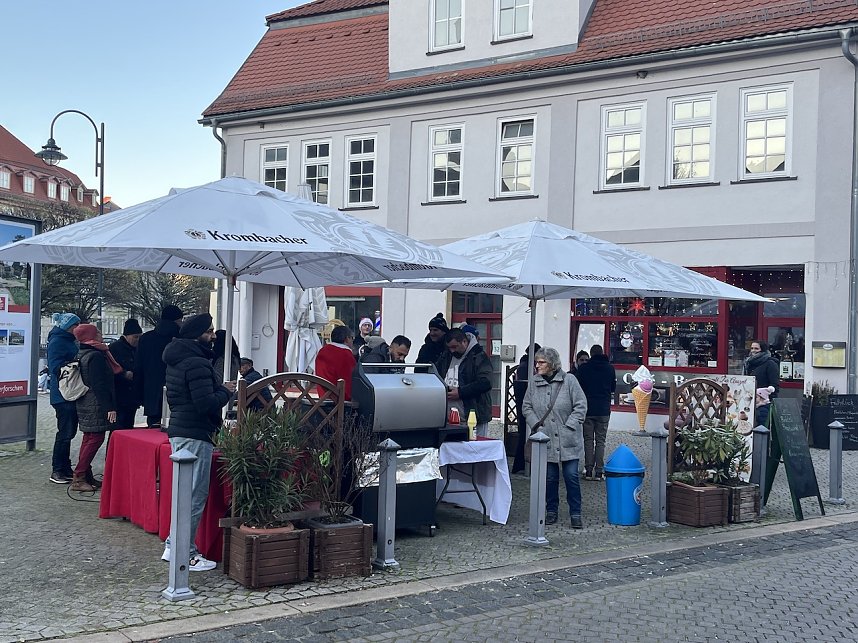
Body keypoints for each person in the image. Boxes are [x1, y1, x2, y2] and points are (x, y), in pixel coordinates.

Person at [161, 313, 235, 571]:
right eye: (209, 331)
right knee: (193, 496)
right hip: (195, 432)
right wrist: (226, 391)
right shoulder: (197, 363)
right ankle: (186, 554)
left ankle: (174, 545)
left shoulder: (178, 358)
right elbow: (205, 403)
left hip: (181, 429)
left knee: (185, 494)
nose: (213, 336)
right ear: (197, 335)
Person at [522, 346, 587, 529]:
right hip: (546, 438)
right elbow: (526, 406)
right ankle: (551, 511)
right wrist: (537, 424)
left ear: (552, 364)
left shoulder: (570, 381)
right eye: (536, 362)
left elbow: (581, 405)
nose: (537, 365)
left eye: (541, 362)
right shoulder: (534, 383)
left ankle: (576, 513)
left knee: (571, 476)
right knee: (550, 478)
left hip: (568, 439)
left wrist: (570, 425)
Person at [70, 324, 122, 492]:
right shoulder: (96, 356)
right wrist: (109, 407)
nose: (100, 333)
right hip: (95, 403)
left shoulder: (82, 352)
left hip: (85, 401)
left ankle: (86, 474)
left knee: (88, 437)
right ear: (90, 336)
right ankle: (79, 476)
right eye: (97, 332)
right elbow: (99, 384)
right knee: (96, 438)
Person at [436, 328, 493, 437]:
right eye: (449, 347)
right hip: (448, 418)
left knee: (476, 445)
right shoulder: (446, 356)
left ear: (464, 342)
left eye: (455, 347)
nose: (452, 351)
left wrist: (461, 392)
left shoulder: (479, 356)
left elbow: (485, 382)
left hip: (474, 416)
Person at [134, 305, 183, 427]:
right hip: (175, 390)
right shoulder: (180, 338)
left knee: (153, 428)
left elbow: (138, 368)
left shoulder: (146, 338)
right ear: (177, 320)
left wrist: (138, 394)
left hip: (151, 391)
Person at [47, 312, 81, 484]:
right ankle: (57, 469)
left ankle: (65, 467)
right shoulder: (58, 342)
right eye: (76, 325)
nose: (78, 328)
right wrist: (75, 364)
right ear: (68, 327)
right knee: (65, 433)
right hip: (62, 394)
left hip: (68, 394)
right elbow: (55, 367)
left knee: (68, 432)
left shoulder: (69, 340)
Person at [575, 344, 616, 481]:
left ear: (591, 354)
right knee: (600, 441)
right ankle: (599, 472)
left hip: (588, 409)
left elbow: (579, 388)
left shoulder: (584, 368)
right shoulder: (610, 368)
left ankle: (588, 470)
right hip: (603, 409)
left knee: (588, 440)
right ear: (602, 353)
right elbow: (613, 388)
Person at [511, 342, 540, 474]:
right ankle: (520, 464)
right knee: (524, 434)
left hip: (524, 405)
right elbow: (524, 389)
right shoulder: (526, 367)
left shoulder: (526, 366)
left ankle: (523, 464)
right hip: (525, 405)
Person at [109, 318, 143, 429]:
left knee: (129, 425)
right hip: (119, 394)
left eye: (140, 337)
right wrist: (123, 374)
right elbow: (109, 369)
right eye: (135, 337)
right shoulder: (114, 348)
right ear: (126, 336)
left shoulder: (138, 348)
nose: (138, 340)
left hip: (132, 396)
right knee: (119, 426)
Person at [315, 325, 357, 400]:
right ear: (347, 339)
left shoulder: (323, 351)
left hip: (323, 396)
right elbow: (350, 380)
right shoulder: (346, 354)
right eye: (352, 338)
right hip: (339, 398)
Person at [744, 341, 780, 413]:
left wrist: (766, 398)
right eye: (752, 348)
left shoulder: (770, 363)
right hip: (749, 400)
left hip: (764, 402)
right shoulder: (748, 363)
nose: (753, 350)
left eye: (756, 348)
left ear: (763, 350)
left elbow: (774, 384)